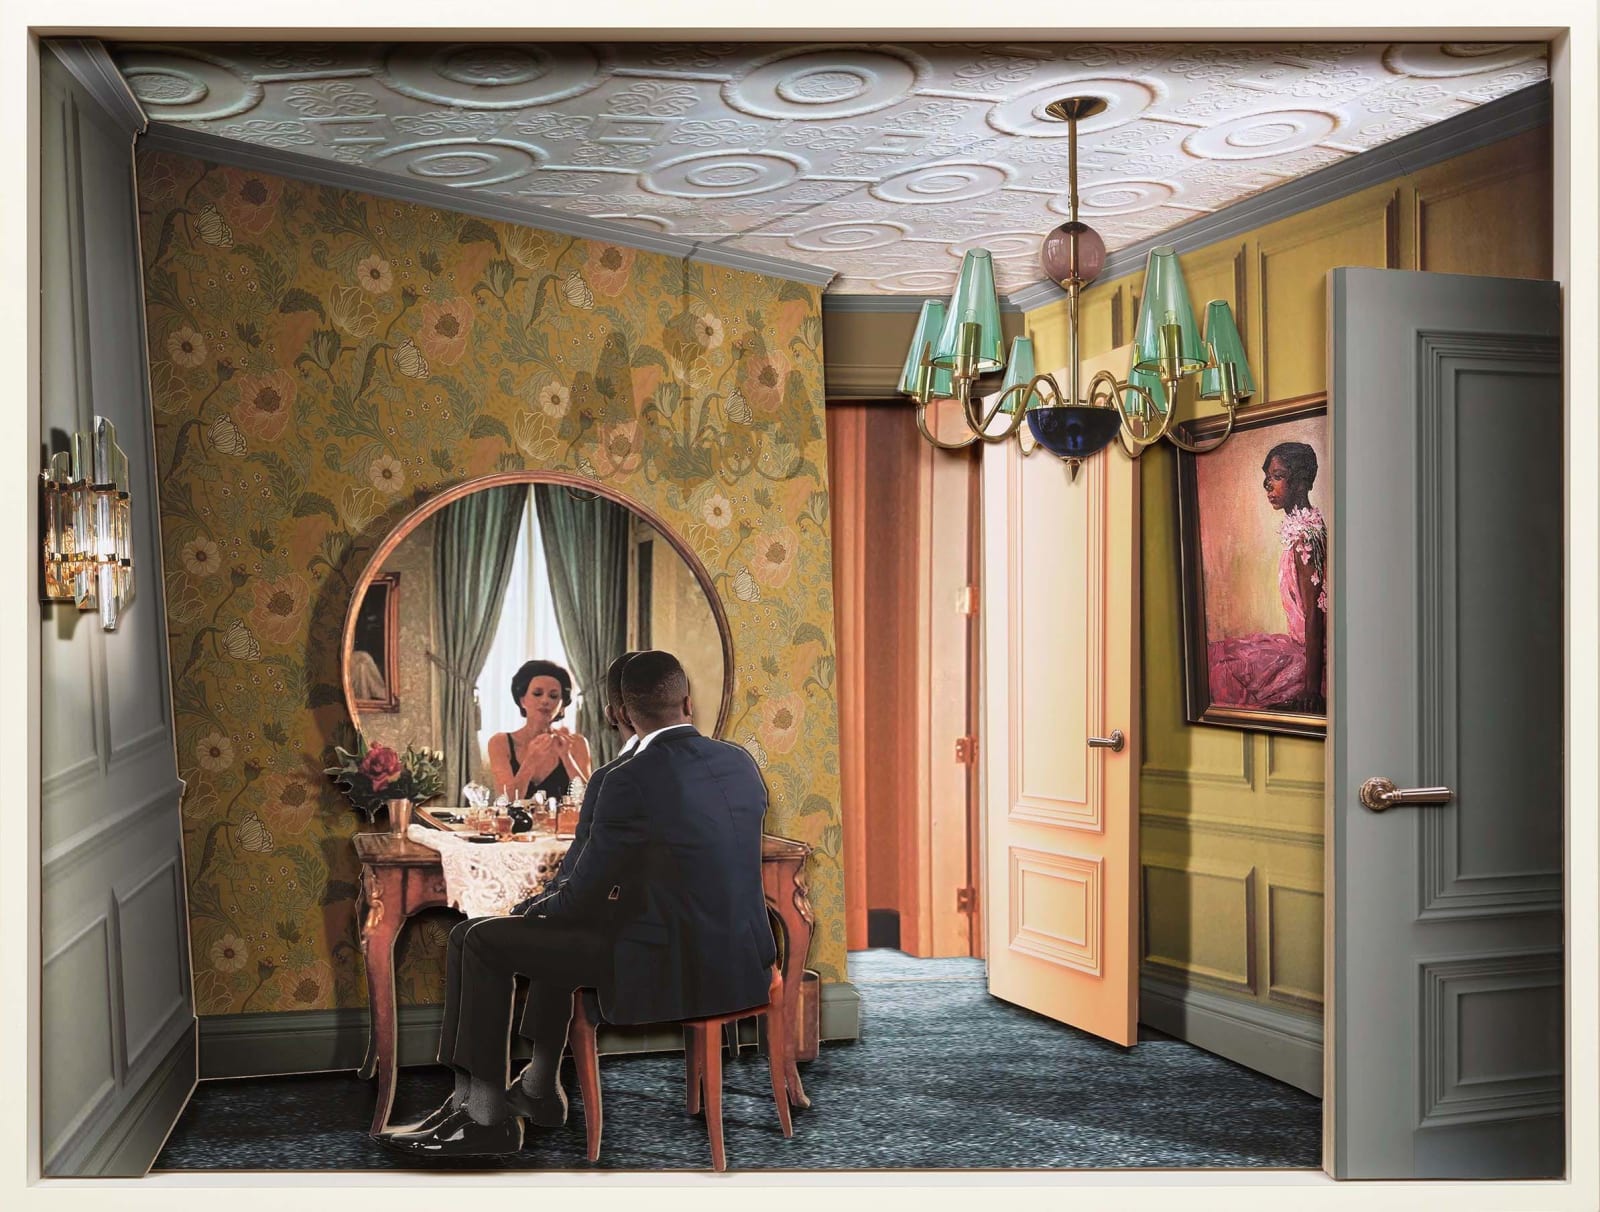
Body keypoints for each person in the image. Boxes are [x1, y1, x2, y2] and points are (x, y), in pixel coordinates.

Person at [380, 650, 775, 1159]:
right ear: (686, 701)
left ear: (621, 714)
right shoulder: (738, 761)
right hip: (739, 960)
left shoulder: (622, 777)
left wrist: (527, 911)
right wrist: (550, 910)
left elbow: (584, 890)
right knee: (559, 930)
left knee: (476, 937)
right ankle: (538, 1090)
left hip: (666, 966)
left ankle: (480, 1116)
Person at [1206, 441, 1328, 713]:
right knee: (1218, 654)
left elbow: (1314, 616)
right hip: (1297, 648)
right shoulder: (1299, 530)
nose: (1268, 485)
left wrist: (1311, 688)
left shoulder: (1306, 537)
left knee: (1224, 668)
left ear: (1300, 482)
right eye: (1267, 478)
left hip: (1309, 661)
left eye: (1278, 476)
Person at [486, 659, 593, 804]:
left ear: (562, 705)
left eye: (553, 696)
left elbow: (590, 802)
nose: (545, 701)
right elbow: (506, 801)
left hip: (564, 826)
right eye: (537, 693)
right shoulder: (499, 742)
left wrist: (567, 758)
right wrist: (530, 761)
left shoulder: (577, 743)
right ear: (522, 700)